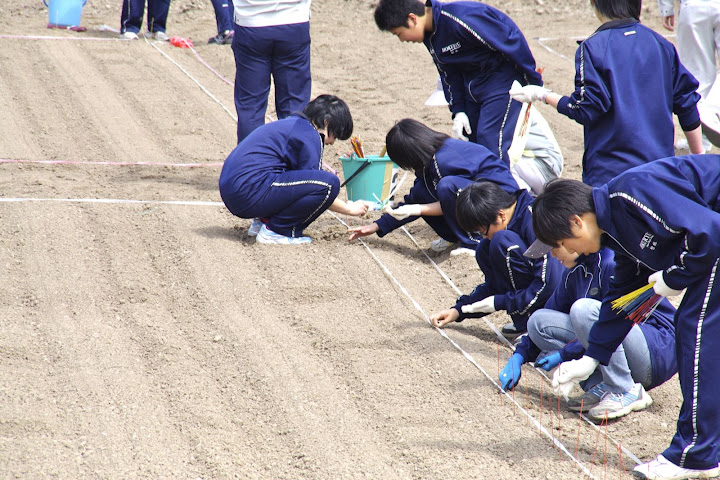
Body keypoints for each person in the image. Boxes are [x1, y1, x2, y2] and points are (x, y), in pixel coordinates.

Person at [529, 157, 720, 480]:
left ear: (576, 223)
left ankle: (697, 455)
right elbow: (622, 296)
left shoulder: (631, 194)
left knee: (695, 328)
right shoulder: (615, 229)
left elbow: (711, 234)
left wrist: (675, 276)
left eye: (561, 244)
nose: (568, 250)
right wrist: (592, 357)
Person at [509, 0, 704, 187]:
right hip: (660, 173)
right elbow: (687, 104)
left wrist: (542, 94)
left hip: (611, 176)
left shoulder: (593, 48)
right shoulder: (662, 45)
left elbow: (585, 108)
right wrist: (698, 160)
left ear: (594, 2)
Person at [501, 246, 677, 423]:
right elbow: (551, 312)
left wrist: (565, 353)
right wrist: (519, 355)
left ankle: (623, 389)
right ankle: (601, 385)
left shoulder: (610, 264)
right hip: (621, 345)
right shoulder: (575, 272)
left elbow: (612, 324)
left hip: (654, 350)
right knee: (538, 323)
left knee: (584, 310)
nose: (553, 255)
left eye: (555, 246)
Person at [373, 0, 543, 166]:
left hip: (501, 81)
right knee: (472, 142)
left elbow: (510, 41)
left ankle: (500, 192)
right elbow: (448, 74)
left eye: (398, 34)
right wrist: (459, 111)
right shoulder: (429, 35)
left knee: (490, 142)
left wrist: (532, 81)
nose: (402, 40)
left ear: (412, 19)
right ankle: (480, 191)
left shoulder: (460, 17)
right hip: (473, 88)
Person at [347, 119, 521, 253]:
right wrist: (376, 226)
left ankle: (473, 243)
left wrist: (419, 209)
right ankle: (456, 237)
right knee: (424, 192)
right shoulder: (431, 161)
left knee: (445, 187)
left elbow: (457, 194)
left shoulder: (444, 160)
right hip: (481, 198)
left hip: (502, 200)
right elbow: (415, 199)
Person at [218, 95, 369, 245]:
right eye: (335, 135)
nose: (332, 142)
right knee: (330, 183)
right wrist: (350, 209)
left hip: (234, 189)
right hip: (248, 192)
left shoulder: (292, 124)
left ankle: (263, 221)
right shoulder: (309, 134)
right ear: (327, 122)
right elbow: (319, 187)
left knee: (296, 178)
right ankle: (277, 231)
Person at [430, 181, 563, 339]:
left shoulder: (536, 220)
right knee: (483, 249)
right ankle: (525, 322)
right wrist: (459, 310)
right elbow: (495, 286)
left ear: (500, 215)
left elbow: (550, 282)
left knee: (500, 241)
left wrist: (502, 301)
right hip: (541, 296)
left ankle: (536, 325)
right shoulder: (507, 223)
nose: (485, 237)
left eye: (483, 231)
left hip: (562, 303)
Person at [232, 0, 312, 143]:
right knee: (294, 105)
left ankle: (251, 163)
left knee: (251, 106)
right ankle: (294, 163)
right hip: (294, 20)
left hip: (250, 22)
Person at [658, 0, 720, 151]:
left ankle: (702, 132)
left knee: (696, 75)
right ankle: (710, 114)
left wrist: (666, 8)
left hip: (693, 7)